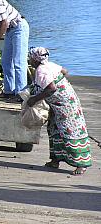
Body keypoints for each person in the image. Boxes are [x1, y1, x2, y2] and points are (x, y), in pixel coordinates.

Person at [27, 47, 92, 175]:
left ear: (35, 60)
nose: (29, 60)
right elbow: (65, 71)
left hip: (66, 105)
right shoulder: (50, 65)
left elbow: (51, 88)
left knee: (72, 131)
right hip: (58, 104)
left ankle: (81, 164)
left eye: (30, 58)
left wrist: (34, 99)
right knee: (54, 130)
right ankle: (55, 160)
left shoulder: (41, 71)